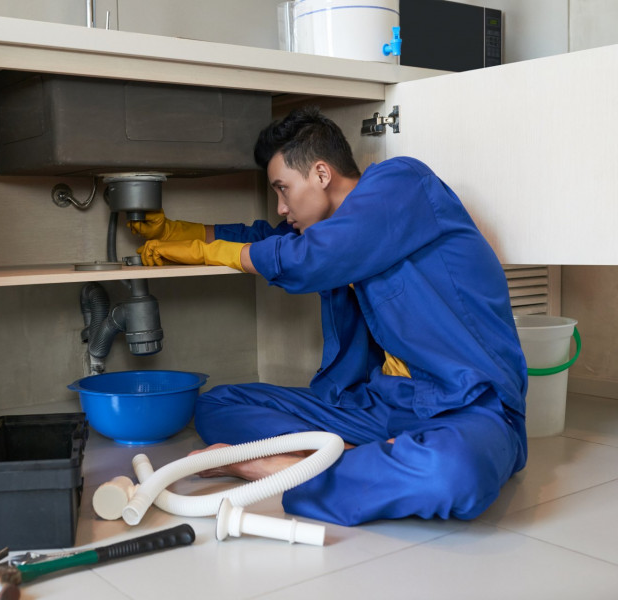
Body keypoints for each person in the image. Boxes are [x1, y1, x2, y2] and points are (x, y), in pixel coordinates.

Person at [129, 106, 528, 526]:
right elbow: (265, 238)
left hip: (467, 406)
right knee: (217, 405)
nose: (281, 207)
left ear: (321, 174)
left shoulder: (403, 183)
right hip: (380, 404)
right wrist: (178, 232)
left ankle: (276, 467)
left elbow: (306, 258)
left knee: (455, 474)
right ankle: (363, 463)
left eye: (283, 189)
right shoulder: (331, 228)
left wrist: (209, 252)